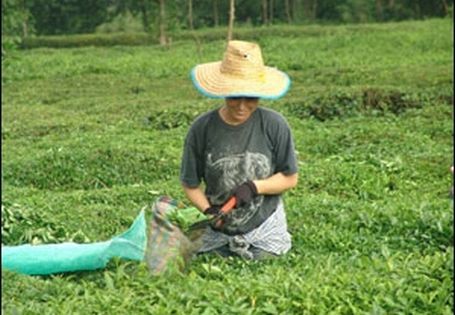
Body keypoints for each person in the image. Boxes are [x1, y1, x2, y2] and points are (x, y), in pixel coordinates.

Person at [180, 40, 298, 260]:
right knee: (201, 258)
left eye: (251, 98)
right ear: (224, 92)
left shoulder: (274, 125)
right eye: (235, 97)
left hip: (264, 228)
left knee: (263, 259)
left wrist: (254, 187)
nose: (242, 106)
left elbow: (289, 178)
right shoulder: (202, 128)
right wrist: (208, 210)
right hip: (220, 229)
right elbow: (190, 184)